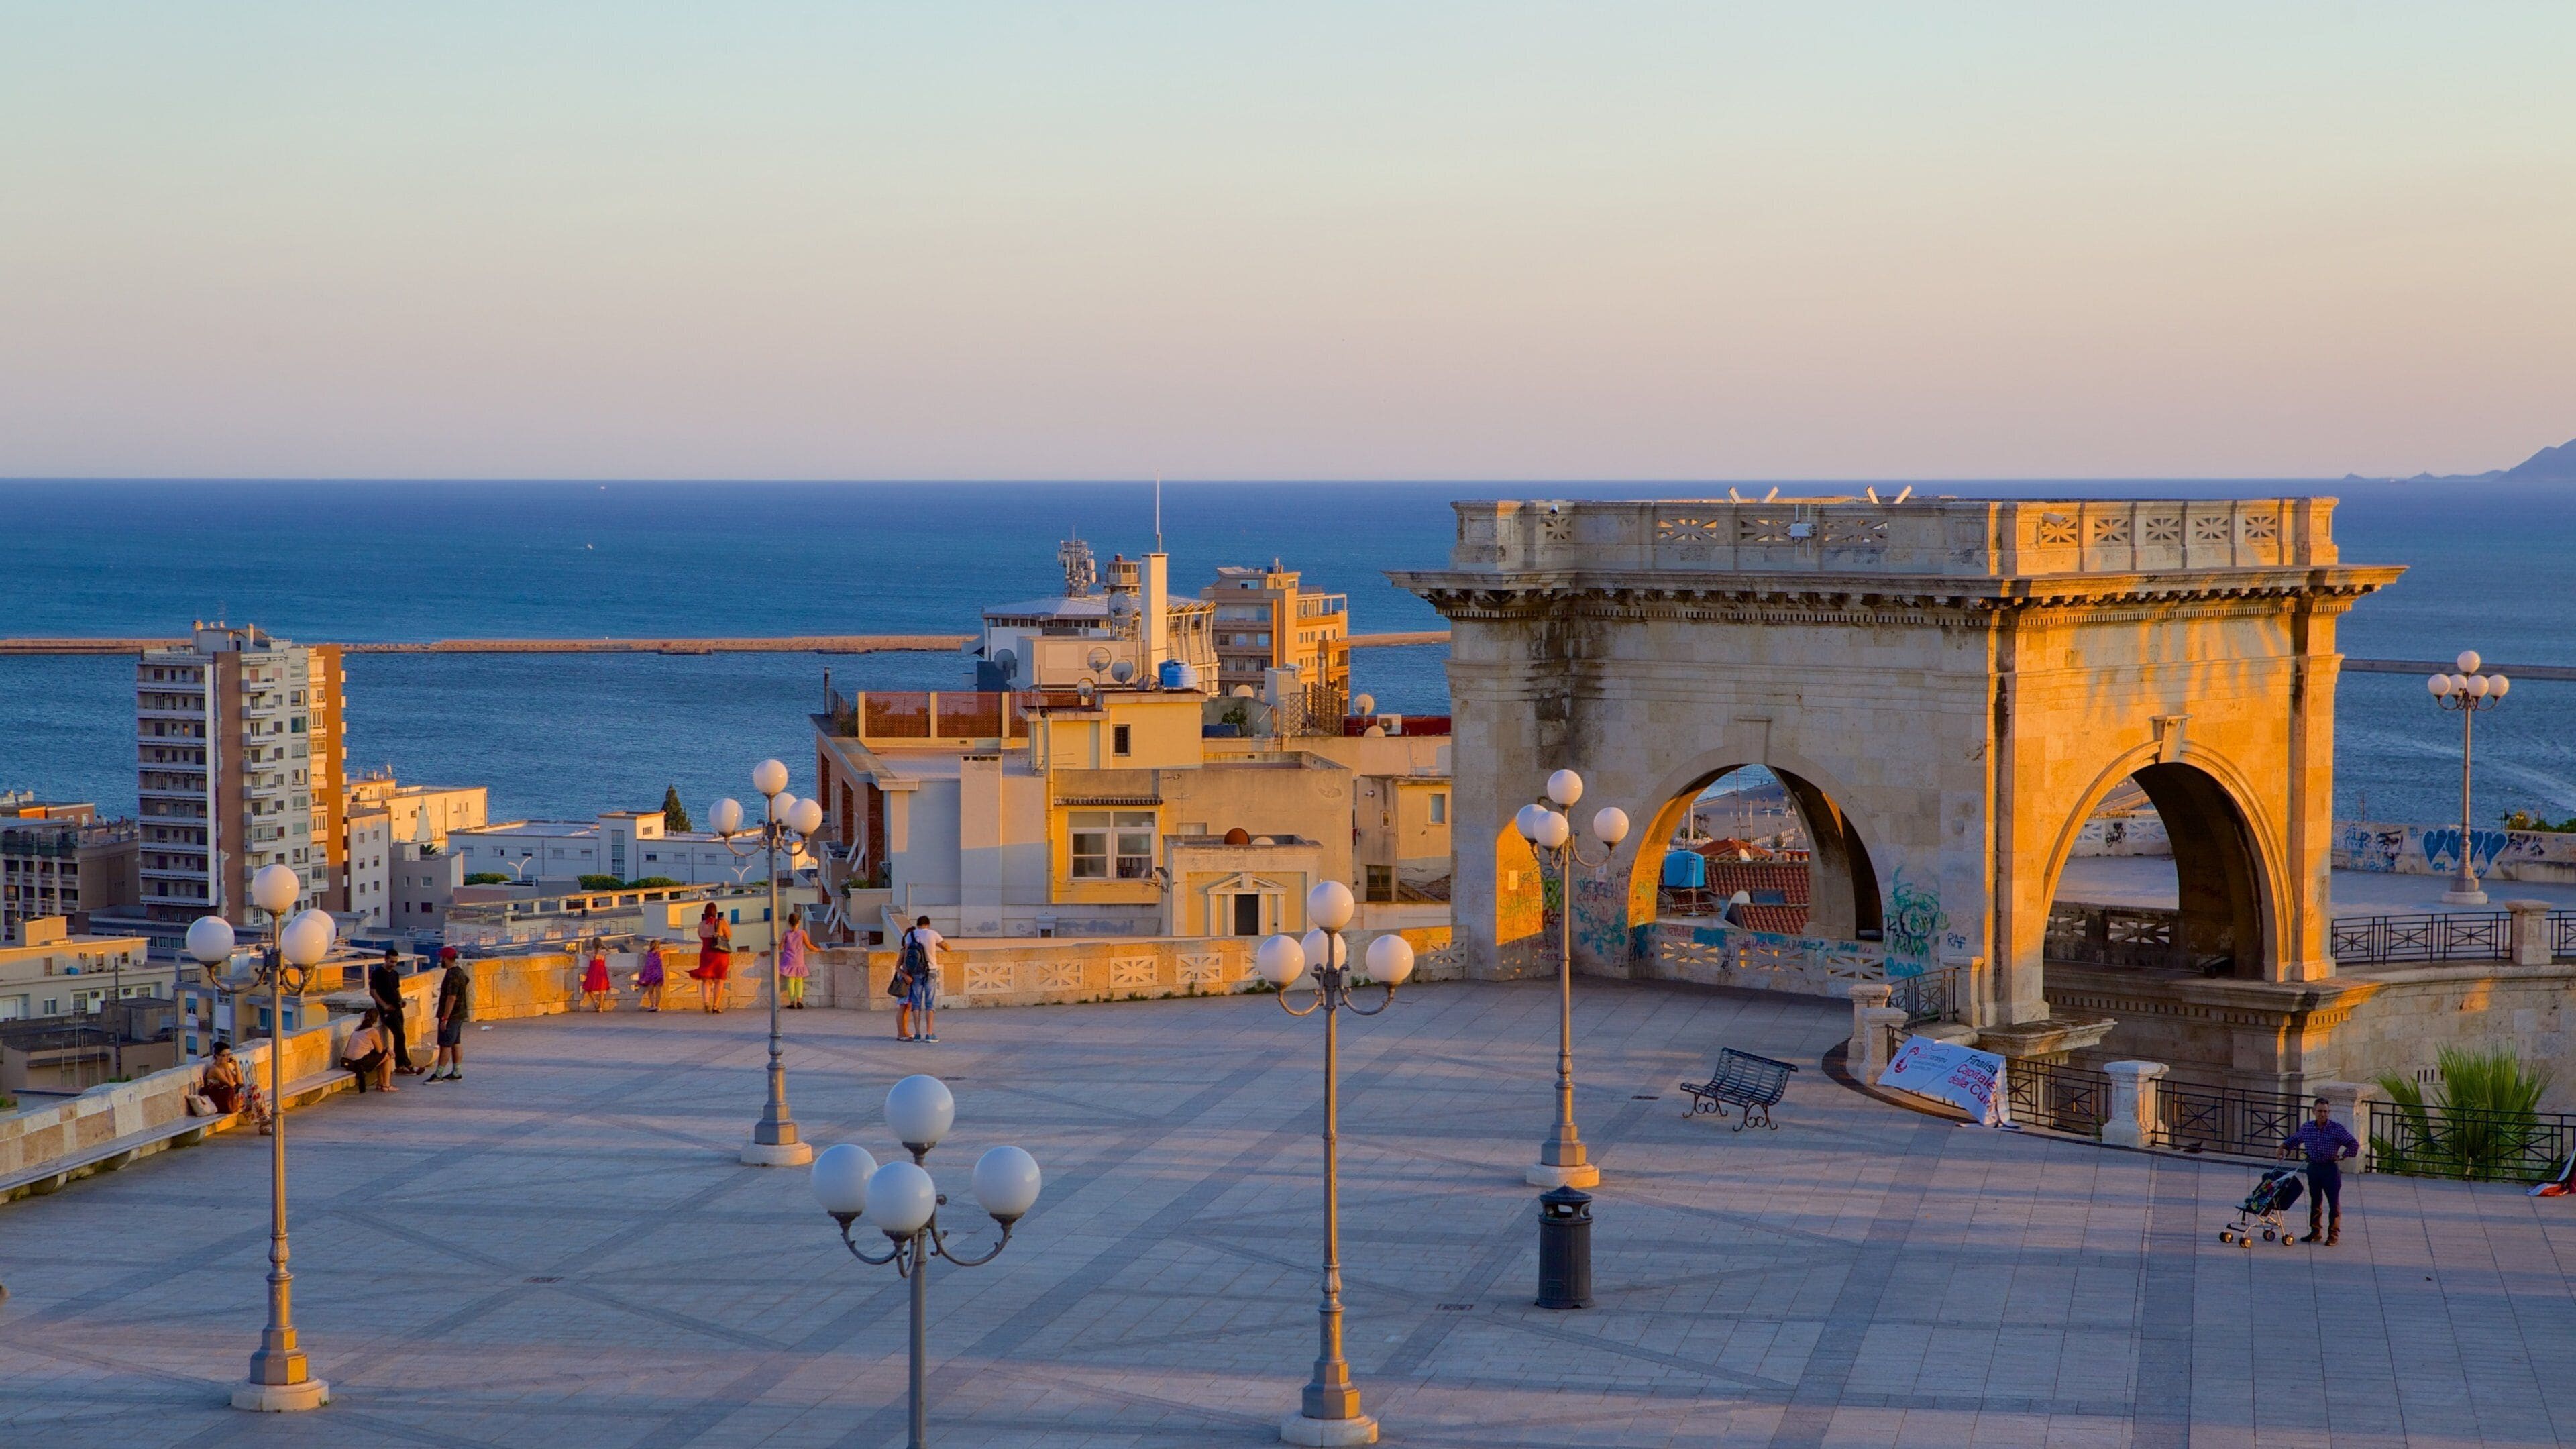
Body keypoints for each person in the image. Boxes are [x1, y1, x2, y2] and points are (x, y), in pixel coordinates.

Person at [2282, 1095, 2360, 1245]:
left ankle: (2333, 1235)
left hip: (2330, 1169)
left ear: (2328, 1112)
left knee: (2334, 1203)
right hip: (2314, 1168)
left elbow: (2353, 1144)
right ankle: (2315, 1232)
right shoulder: (2308, 1127)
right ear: (2314, 1111)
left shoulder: (2336, 1129)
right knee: (2315, 1201)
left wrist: (2342, 1156)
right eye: (2320, 1111)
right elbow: (2295, 1139)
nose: (2322, 1114)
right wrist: (2283, 1147)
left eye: (2325, 1111)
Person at [368, 947, 423, 1077]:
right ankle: (407, 1065)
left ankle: (401, 1065)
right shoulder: (378, 973)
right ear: (386, 959)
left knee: (400, 1036)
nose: (393, 964)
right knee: (400, 1036)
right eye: (391, 961)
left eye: (395, 962)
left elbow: (397, 990)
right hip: (387, 1011)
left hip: (397, 1008)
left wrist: (401, 1000)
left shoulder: (395, 974)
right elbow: (373, 992)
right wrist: (384, 1006)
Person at [199, 1042, 270, 1130]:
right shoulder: (215, 1070)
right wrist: (226, 1067)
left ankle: (263, 1120)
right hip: (222, 1101)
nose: (227, 1058)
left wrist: (236, 1066)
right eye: (224, 1055)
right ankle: (263, 1119)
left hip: (230, 1098)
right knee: (254, 1094)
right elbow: (230, 1084)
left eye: (229, 1055)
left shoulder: (224, 1067)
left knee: (255, 1089)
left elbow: (240, 1082)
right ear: (217, 1056)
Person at [896, 915, 943, 1042]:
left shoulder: (911, 936)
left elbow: (905, 960)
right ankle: (929, 1033)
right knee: (929, 1003)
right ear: (928, 924)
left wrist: (907, 973)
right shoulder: (933, 934)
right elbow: (946, 947)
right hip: (930, 971)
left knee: (915, 1004)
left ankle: (917, 1034)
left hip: (915, 972)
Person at [427, 946, 470, 1082]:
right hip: (460, 1014)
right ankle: (457, 1071)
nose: (441, 961)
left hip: (451, 1016)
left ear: (446, 958)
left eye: (442, 958)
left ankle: (438, 1074)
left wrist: (445, 1018)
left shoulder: (452, 975)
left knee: (445, 1044)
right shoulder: (460, 972)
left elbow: (452, 998)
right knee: (456, 1043)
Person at [690, 903, 733, 1013]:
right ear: (715, 912)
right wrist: (725, 924)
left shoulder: (701, 924)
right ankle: (716, 1006)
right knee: (719, 980)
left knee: (706, 979)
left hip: (706, 953)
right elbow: (728, 936)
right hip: (719, 954)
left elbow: (701, 936)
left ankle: (706, 1002)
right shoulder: (721, 922)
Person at [341, 1009, 396, 1093]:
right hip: (359, 1063)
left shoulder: (358, 1028)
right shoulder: (372, 1032)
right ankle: (386, 1085)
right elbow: (380, 1050)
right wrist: (388, 1048)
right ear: (376, 1019)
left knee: (381, 1057)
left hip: (350, 1062)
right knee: (387, 1056)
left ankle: (380, 1084)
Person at [778, 910, 814, 1010]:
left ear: (789, 923)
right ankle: (799, 1000)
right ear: (799, 922)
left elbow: (780, 947)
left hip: (788, 961)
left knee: (790, 982)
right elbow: (809, 946)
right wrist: (820, 949)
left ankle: (791, 1002)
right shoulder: (802, 933)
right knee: (799, 981)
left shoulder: (786, 934)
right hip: (799, 960)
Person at [582, 938, 613, 1011]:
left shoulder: (590, 953)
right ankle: (600, 1008)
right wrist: (603, 946)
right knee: (602, 991)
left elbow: (583, 952)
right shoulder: (603, 952)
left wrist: (585, 945)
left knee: (588, 988)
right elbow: (610, 952)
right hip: (601, 971)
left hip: (592, 971)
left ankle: (595, 1001)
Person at [637, 939, 667, 1012]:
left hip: (650, 974)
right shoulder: (660, 953)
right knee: (658, 991)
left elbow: (641, 950)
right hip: (658, 974)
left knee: (650, 991)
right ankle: (657, 1006)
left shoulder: (647, 953)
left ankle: (653, 1005)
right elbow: (671, 950)